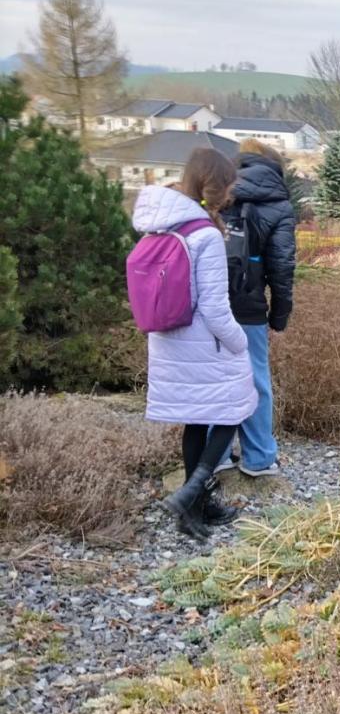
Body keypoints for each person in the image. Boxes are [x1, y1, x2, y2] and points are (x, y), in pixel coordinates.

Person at [133, 150, 257, 538]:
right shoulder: (204, 233)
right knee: (233, 409)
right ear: (217, 184)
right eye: (231, 183)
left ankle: (195, 508)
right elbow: (216, 308)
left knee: (198, 419)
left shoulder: (162, 226)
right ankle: (191, 493)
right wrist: (240, 344)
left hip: (169, 338)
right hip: (206, 342)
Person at [215, 139, 296, 478]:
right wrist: (278, 316)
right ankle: (259, 458)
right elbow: (281, 266)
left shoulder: (217, 190)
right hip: (248, 305)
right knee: (255, 380)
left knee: (214, 379)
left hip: (210, 303)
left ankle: (214, 457)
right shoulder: (278, 204)